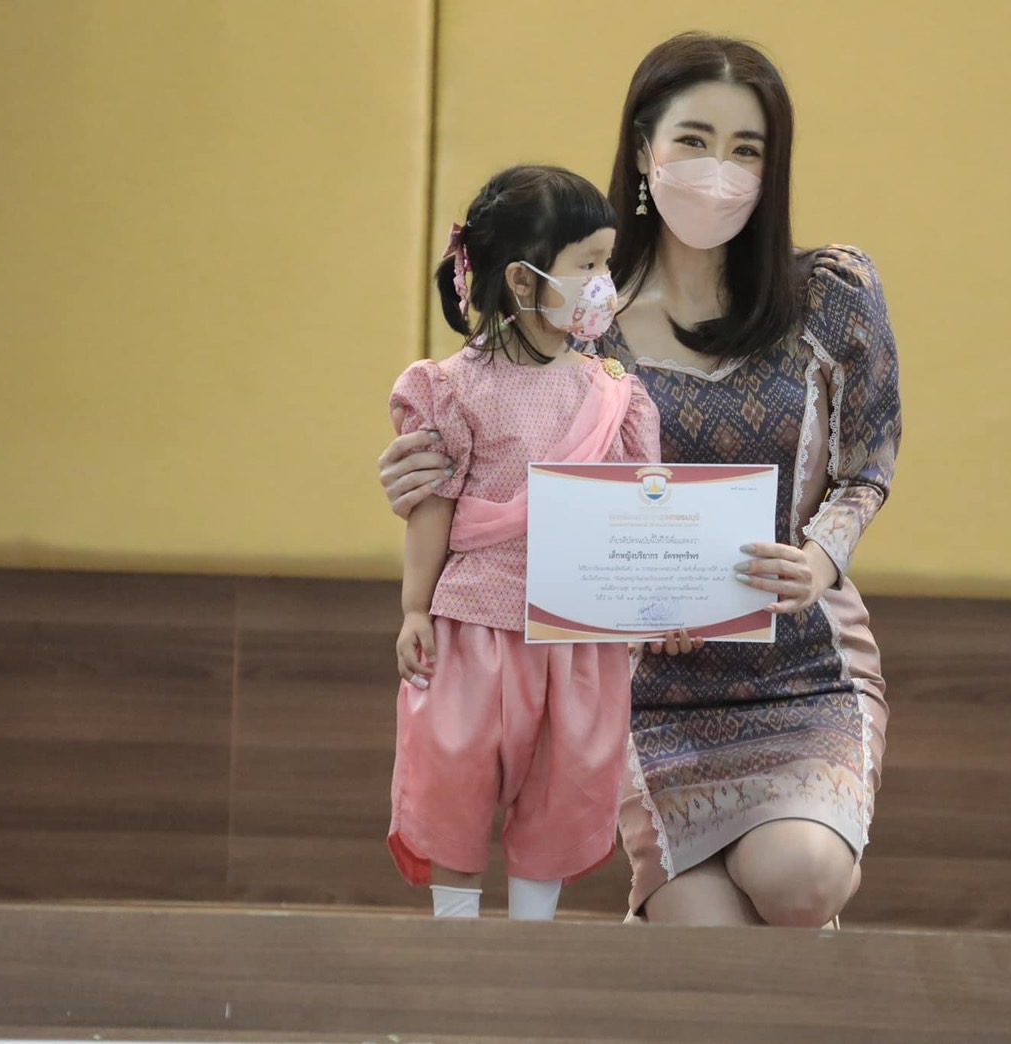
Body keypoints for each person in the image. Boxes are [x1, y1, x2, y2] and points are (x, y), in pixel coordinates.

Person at [378, 33, 901, 928]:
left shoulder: (831, 293)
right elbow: (484, 432)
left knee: (798, 878)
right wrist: (418, 474)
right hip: (640, 683)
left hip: (800, 667)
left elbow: (868, 466)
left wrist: (818, 562)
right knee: (704, 942)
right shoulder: (580, 318)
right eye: (694, 140)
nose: (719, 170)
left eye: (747, 149)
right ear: (643, 149)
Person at [386, 165, 662, 922]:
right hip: (471, 630)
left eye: (607, 262)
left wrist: (658, 608)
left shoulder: (615, 394)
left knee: (561, 788)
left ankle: (531, 948)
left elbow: (637, 517)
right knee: (454, 779)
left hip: (576, 636)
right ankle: (454, 940)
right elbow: (433, 505)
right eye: (588, 263)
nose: (604, 282)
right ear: (521, 277)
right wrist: (414, 609)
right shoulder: (452, 387)